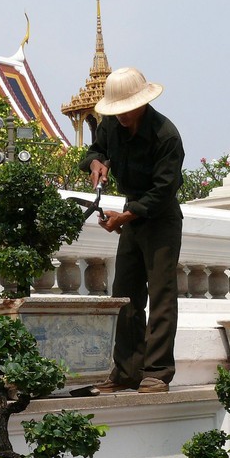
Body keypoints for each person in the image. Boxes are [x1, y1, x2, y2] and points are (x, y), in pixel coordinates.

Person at [80, 67, 185, 394]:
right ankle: (126, 372)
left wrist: (124, 218)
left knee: (161, 295)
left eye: (126, 109)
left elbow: (163, 191)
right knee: (125, 294)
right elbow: (96, 151)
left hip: (160, 218)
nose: (121, 116)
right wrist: (97, 162)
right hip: (131, 213)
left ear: (142, 102)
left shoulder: (166, 135)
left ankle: (157, 372)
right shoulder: (111, 125)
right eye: (117, 110)